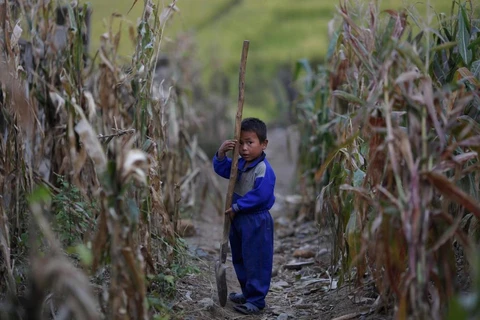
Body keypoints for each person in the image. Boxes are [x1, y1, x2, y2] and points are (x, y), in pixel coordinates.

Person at [212, 117, 276, 315]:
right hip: (238, 220)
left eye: (250, 142)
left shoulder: (263, 169)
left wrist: (239, 207)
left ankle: (256, 300)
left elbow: (261, 195)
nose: (245, 148)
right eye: (240, 143)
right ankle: (247, 292)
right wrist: (221, 154)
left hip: (256, 220)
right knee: (240, 257)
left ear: (263, 144)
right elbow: (224, 170)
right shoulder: (239, 165)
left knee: (256, 259)